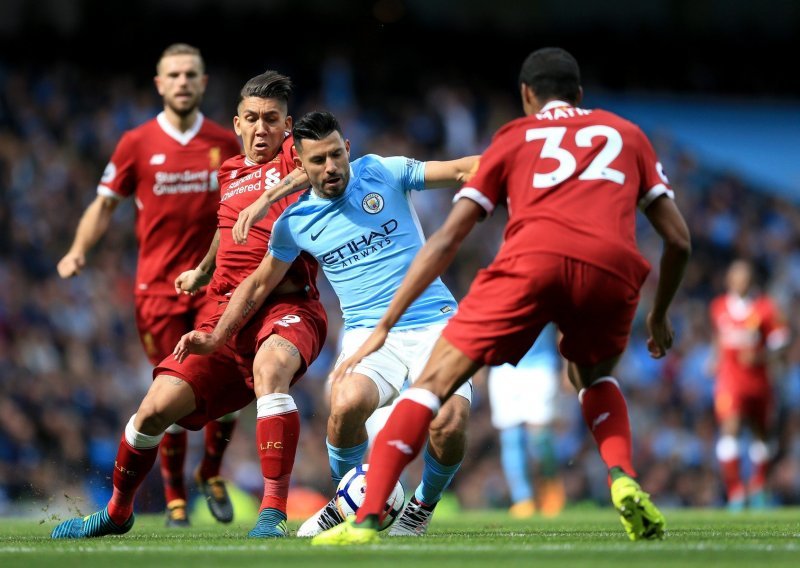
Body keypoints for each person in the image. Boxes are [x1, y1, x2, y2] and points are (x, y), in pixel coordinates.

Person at [314, 46, 691, 546]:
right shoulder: (628, 134)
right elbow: (680, 240)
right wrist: (660, 314)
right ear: (579, 95)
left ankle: (364, 522)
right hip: (613, 267)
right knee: (590, 377)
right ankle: (622, 476)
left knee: (434, 384)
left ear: (526, 96)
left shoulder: (516, 136)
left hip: (531, 264)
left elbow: (448, 238)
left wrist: (386, 322)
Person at [176, 110, 480, 538]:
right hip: (368, 335)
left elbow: (464, 168)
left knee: (448, 422)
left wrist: (515, 169)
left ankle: (421, 508)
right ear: (300, 165)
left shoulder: (383, 172)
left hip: (435, 323)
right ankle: (348, 497)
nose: (331, 167)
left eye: (337, 155)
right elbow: (258, 284)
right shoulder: (295, 223)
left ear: (348, 149)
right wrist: (216, 336)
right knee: (345, 405)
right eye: (318, 160)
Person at [51, 70, 325, 539]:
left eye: (272, 120)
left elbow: (318, 169)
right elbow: (226, 229)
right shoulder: (230, 173)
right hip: (223, 311)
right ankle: (117, 513)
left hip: (286, 307)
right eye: (253, 119)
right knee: (153, 410)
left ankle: (272, 512)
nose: (262, 129)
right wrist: (202, 270)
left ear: (287, 125)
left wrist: (266, 200)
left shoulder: (294, 157)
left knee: (272, 369)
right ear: (236, 125)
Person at [56, 43, 242, 527]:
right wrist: (79, 250)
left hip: (215, 287)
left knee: (232, 380)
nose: (182, 82)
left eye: (191, 74)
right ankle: (177, 498)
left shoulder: (226, 142)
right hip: (156, 294)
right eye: (173, 75)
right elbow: (103, 205)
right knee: (170, 388)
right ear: (159, 84)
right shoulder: (135, 144)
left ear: (203, 83)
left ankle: (212, 471)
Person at [709, 259, 789, 510]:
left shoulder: (765, 308)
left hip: (759, 382)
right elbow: (718, 337)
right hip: (730, 381)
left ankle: (757, 485)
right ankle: (735, 491)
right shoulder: (718, 307)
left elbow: (782, 341)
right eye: (736, 276)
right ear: (729, 280)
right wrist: (714, 359)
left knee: (761, 435)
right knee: (729, 429)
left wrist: (762, 356)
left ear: (751, 280)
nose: (741, 281)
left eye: (745, 276)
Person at [487, 323, 566, 518]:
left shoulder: (549, 292)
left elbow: (564, 324)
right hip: (503, 368)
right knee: (511, 438)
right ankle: (523, 499)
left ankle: (549, 484)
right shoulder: (495, 291)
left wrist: (567, 366)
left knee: (540, 437)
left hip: (541, 366)